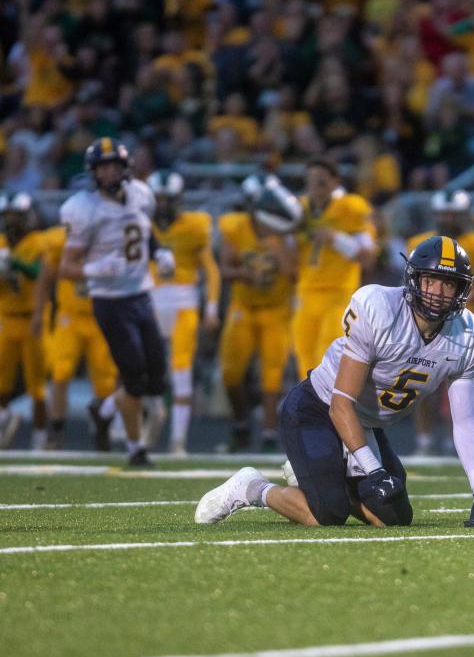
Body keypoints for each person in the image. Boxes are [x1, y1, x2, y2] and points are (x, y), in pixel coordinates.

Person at [195, 236, 474, 529]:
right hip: (318, 409)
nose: (438, 292)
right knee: (326, 513)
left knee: (393, 517)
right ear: (414, 280)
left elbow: (465, 422)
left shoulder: (469, 337)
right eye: (431, 280)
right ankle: (251, 487)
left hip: (364, 424)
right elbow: (341, 404)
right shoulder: (380, 309)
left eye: (449, 283)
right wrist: (374, 471)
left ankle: (323, 476)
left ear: (461, 289)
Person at [58, 139, 173, 466]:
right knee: (134, 379)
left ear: (126, 167)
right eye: (103, 167)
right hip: (110, 301)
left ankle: (105, 410)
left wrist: (160, 252)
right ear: (93, 172)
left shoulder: (140, 194)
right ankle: (136, 448)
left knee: (156, 378)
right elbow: (66, 267)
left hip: (140, 293)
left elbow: (144, 231)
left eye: (114, 165)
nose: (109, 172)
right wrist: (95, 269)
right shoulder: (83, 208)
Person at [407, 189, 474, 454]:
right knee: (419, 378)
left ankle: (453, 441)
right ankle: (424, 440)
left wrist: (454, 301)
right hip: (426, 319)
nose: (448, 218)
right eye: (444, 213)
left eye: (453, 213)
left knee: (457, 385)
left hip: (462, 323)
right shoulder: (420, 242)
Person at [218, 177, 300, 453]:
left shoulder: (284, 234)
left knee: (272, 375)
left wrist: (280, 251)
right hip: (243, 307)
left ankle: (267, 434)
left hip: (277, 310)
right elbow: (226, 270)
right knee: (231, 373)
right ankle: (240, 424)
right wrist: (245, 274)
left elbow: (295, 274)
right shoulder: (234, 226)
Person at [147, 170, 221, 455]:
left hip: (183, 303)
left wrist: (211, 308)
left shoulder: (195, 225)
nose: (163, 205)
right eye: (159, 199)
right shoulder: (140, 225)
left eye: (169, 199)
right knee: (139, 370)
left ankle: (178, 439)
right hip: (150, 301)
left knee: (181, 371)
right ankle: (142, 426)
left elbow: (211, 270)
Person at [31, 222, 118, 450]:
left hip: (101, 314)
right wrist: (39, 313)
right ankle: (56, 431)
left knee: (105, 380)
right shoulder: (60, 240)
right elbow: (45, 278)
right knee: (60, 371)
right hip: (69, 316)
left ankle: (102, 430)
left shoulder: (110, 238)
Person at [292, 157, 377, 379]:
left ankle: (330, 409)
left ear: (334, 181)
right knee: (304, 355)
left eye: (321, 181)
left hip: (339, 293)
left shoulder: (350, 207)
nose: (315, 187)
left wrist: (336, 238)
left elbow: (368, 257)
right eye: (310, 182)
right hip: (306, 292)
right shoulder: (299, 209)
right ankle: (310, 409)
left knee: (328, 352)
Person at [0, 192, 49, 450]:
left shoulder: (39, 242)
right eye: (7, 216)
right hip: (6, 318)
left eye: (16, 216)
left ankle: (40, 439)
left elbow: (41, 273)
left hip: (32, 319)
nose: (11, 222)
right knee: (2, 382)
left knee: (36, 386)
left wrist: (15, 263)